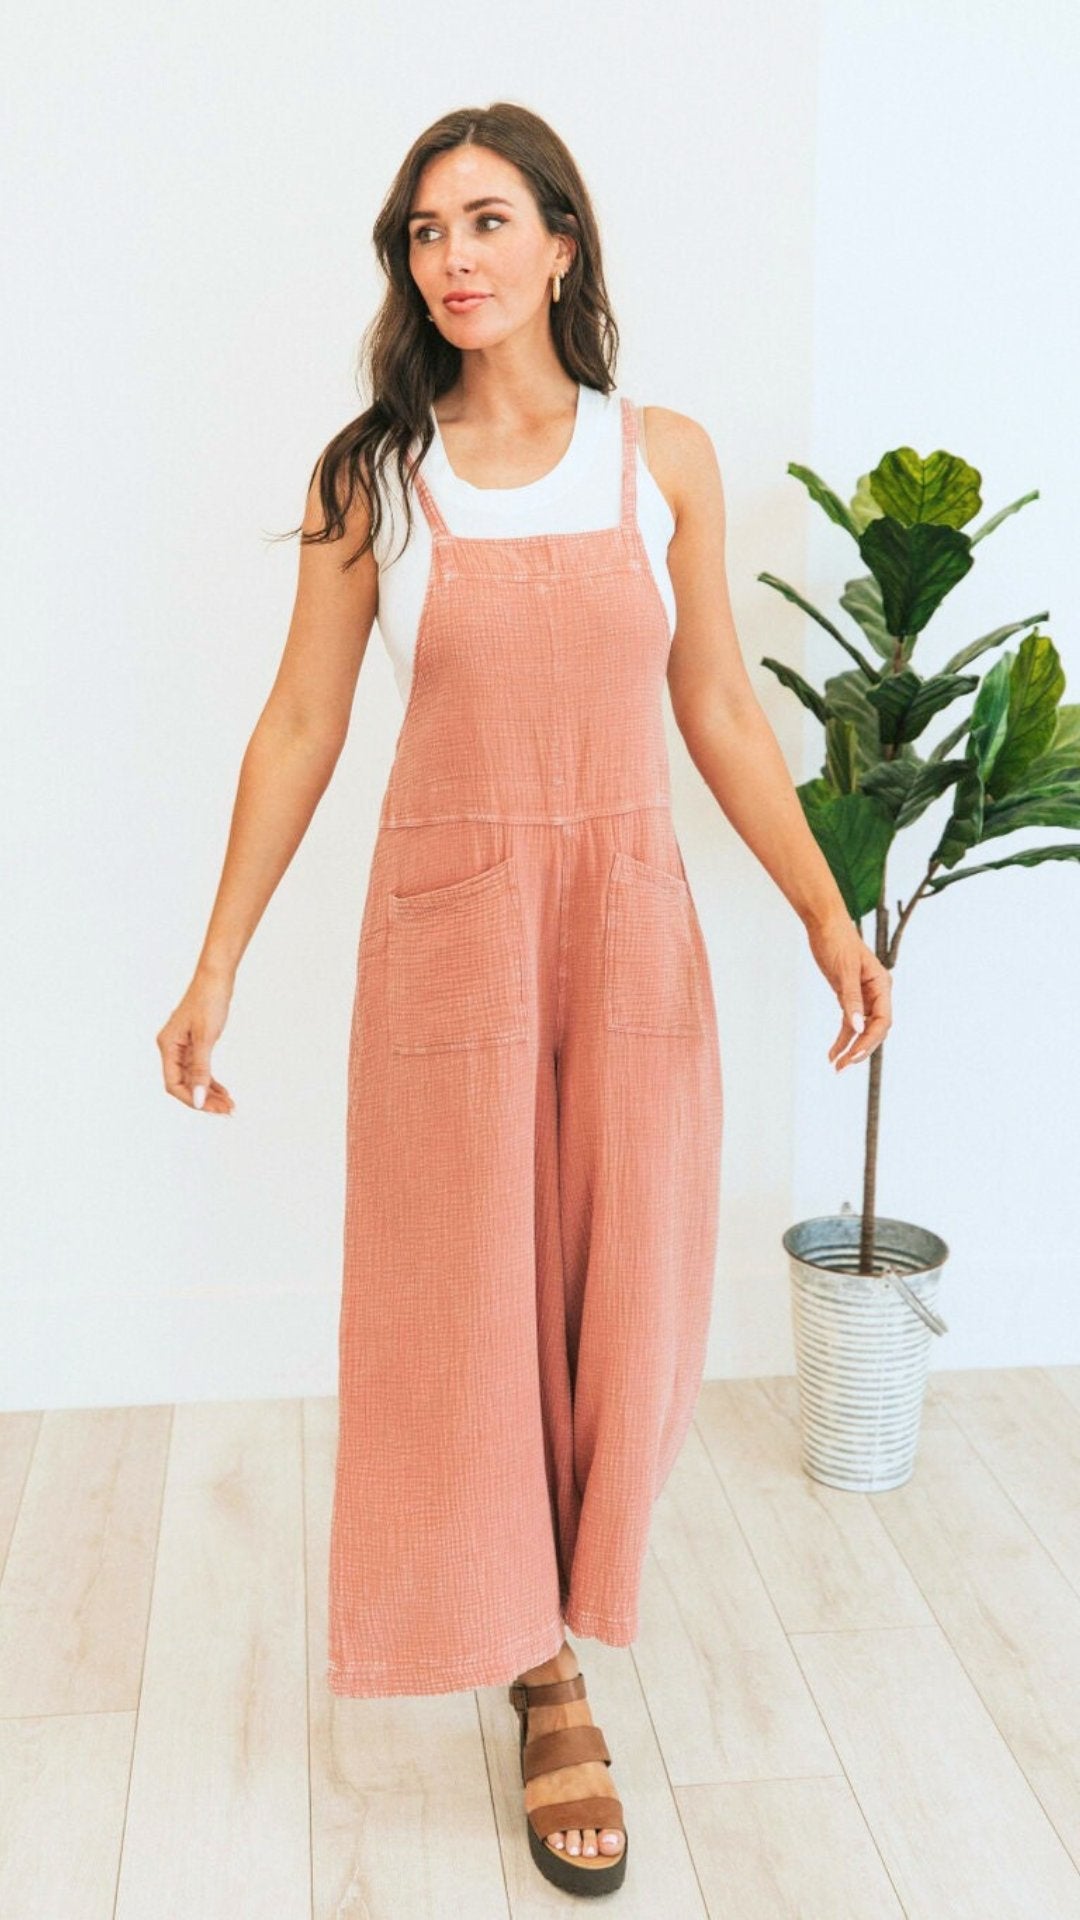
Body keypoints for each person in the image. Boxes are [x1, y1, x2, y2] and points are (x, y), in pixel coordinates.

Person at [156, 101, 892, 1899]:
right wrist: (217, 958)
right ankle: (542, 1677)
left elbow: (718, 710)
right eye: (424, 234)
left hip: (629, 924)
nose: (455, 259)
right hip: (453, 935)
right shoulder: (373, 482)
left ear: (565, 242)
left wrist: (824, 908)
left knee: (621, 1287)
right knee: (464, 1301)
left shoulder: (666, 458)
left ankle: (574, 1598)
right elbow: (304, 727)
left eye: (488, 221)